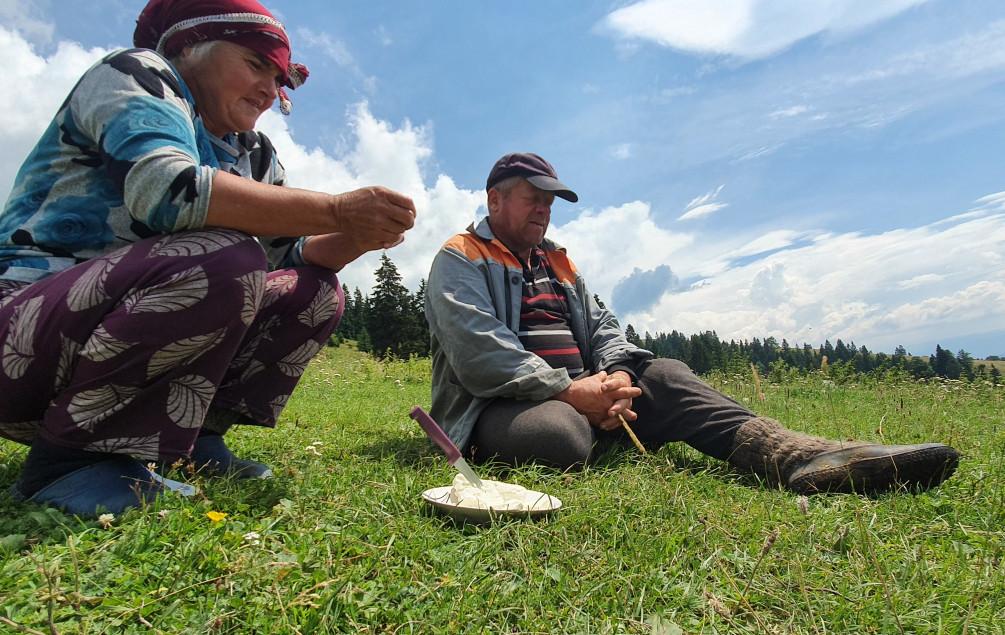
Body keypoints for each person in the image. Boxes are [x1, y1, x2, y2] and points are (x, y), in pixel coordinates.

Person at [0, 0, 416, 516]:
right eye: (256, 63)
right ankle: (72, 462)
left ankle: (191, 439)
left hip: (91, 340)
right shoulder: (137, 74)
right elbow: (169, 190)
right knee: (222, 255)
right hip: (22, 341)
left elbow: (295, 253)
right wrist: (334, 208)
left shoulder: (254, 154)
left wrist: (357, 233)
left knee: (311, 289)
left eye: (280, 78)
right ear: (187, 46)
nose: (271, 90)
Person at [424, 152, 959, 494]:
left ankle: (797, 456)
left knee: (669, 374)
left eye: (550, 203)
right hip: (500, 405)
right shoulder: (460, 257)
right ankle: (597, 426)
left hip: (586, 393)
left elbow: (604, 324)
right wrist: (570, 392)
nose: (544, 211)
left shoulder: (559, 261)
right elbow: (480, 353)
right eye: (532, 199)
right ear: (495, 199)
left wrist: (613, 375)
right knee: (560, 438)